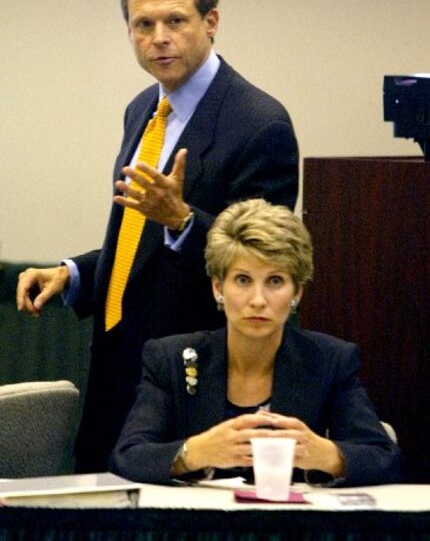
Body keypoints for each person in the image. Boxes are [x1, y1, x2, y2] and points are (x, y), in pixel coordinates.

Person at [16, 0, 299, 472]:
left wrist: (183, 220)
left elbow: (263, 263)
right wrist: (75, 273)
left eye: (175, 20)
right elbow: (141, 243)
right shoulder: (144, 107)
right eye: (143, 24)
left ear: (210, 22)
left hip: (194, 388)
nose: (159, 37)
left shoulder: (260, 124)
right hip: (116, 373)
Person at [111, 198, 402, 486]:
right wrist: (194, 453)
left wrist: (325, 455)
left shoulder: (330, 360)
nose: (258, 300)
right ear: (217, 288)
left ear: (297, 292)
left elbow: (385, 459)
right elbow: (127, 458)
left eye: (275, 281)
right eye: (242, 280)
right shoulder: (171, 359)